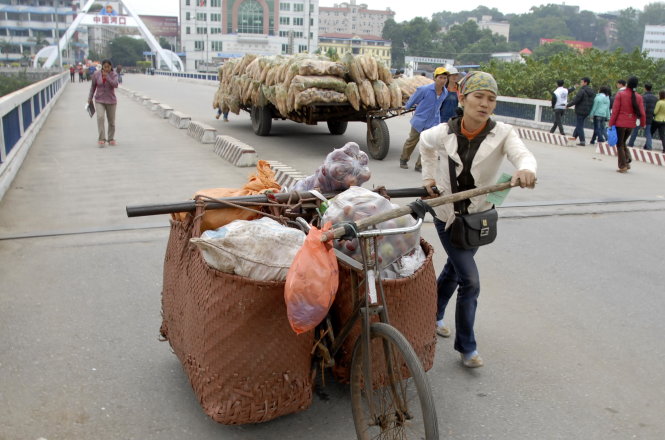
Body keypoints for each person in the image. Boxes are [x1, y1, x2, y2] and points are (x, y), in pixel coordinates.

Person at [418, 71, 537, 368]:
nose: (484, 104)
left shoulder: (503, 133)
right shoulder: (444, 132)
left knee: (455, 269)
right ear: (463, 98)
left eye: (491, 99)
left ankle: (434, 313)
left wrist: (525, 170)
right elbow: (424, 142)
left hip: (478, 219)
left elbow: (523, 156)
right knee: (470, 279)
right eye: (478, 96)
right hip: (448, 215)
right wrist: (429, 177)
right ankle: (467, 347)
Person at [399, 67, 449, 172]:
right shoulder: (425, 89)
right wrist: (407, 106)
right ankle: (404, 159)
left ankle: (419, 165)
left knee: (427, 144)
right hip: (420, 120)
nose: (443, 80)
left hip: (433, 122)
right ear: (435, 78)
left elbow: (439, 106)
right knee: (412, 141)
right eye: (440, 77)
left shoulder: (445, 93)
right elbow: (413, 99)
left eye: (445, 78)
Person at [609, 76, 645, 173]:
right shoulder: (639, 97)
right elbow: (642, 112)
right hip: (631, 124)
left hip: (620, 123)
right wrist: (642, 124)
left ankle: (623, 165)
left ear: (627, 84)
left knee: (619, 144)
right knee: (623, 142)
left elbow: (615, 111)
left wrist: (611, 123)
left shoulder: (621, 94)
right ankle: (627, 160)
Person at [88, 59, 119, 146]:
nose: (106, 69)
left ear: (111, 67)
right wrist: (89, 98)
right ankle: (101, 138)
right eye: (105, 67)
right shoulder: (96, 74)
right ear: (102, 66)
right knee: (100, 117)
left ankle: (111, 138)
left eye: (108, 67)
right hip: (99, 100)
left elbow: (115, 84)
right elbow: (93, 87)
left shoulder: (114, 74)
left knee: (111, 121)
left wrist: (107, 77)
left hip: (111, 100)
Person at [566, 77, 595, 146]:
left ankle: (582, 141)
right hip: (587, 110)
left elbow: (576, 100)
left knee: (579, 125)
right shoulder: (592, 91)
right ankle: (573, 138)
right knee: (579, 124)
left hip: (580, 110)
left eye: (581, 82)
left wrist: (568, 105)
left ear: (585, 83)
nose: (580, 83)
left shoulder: (582, 90)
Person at [628, 83, 657, 150]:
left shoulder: (643, 97)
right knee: (648, 133)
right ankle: (649, 147)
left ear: (645, 88)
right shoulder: (655, 98)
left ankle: (630, 144)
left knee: (635, 131)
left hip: (641, 118)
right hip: (650, 118)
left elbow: (643, 109)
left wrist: (639, 116)